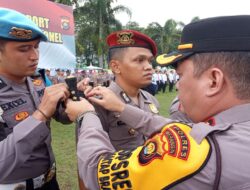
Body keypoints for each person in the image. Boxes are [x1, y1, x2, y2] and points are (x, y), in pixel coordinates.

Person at [66, 15, 250, 190]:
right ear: (116, 66)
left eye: (180, 76)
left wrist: (85, 115)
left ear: (213, 81)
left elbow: (95, 170)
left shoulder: (203, 155)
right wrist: (122, 108)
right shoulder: (236, 132)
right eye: (139, 60)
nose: (177, 85)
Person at [0, 8, 72, 190]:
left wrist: (74, 99)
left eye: (36, 46)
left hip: (50, 181)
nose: (35, 56)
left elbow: (62, 116)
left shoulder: (38, 80)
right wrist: (40, 115)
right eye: (24, 48)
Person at [81, 30, 160, 150]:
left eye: (150, 61)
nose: (149, 67)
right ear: (116, 67)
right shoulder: (97, 103)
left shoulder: (150, 99)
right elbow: (91, 156)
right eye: (139, 60)